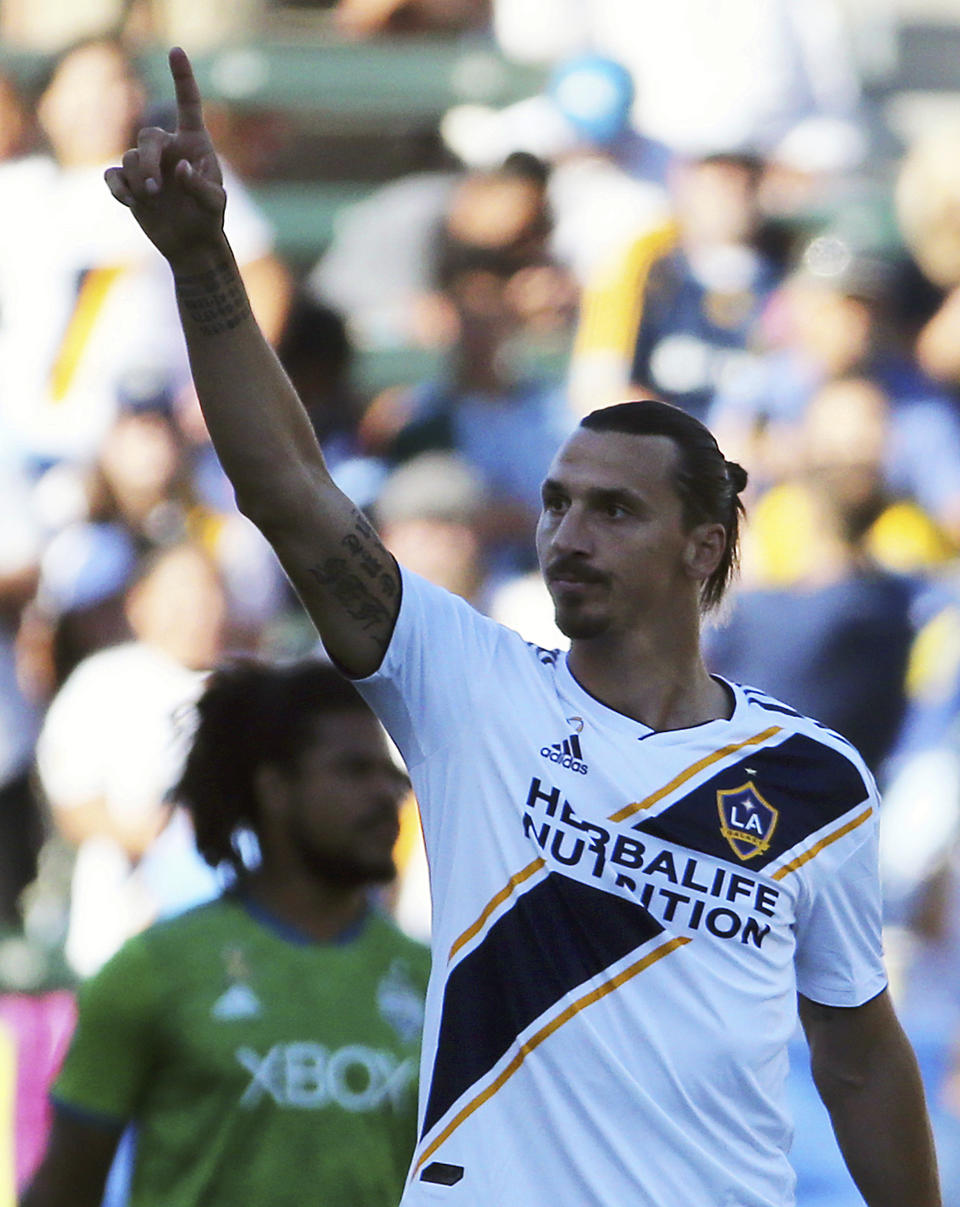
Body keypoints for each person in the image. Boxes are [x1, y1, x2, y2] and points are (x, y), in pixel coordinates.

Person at [100, 49, 942, 1205]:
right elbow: (289, 489)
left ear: (704, 546)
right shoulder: (470, 684)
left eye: (613, 509)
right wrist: (204, 261)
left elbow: (858, 1057)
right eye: (553, 502)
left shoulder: (811, 779)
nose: (568, 533)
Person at [22, 658, 430, 1207]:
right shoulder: (151, 971)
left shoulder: (439, 985)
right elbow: (63, 1189)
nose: (388, 795)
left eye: (393, 775)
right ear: (275, 788)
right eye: (355, 771)